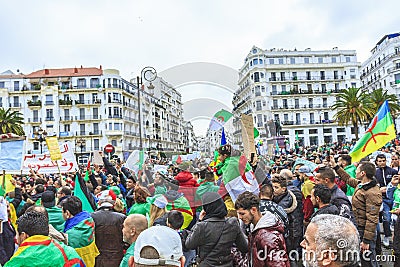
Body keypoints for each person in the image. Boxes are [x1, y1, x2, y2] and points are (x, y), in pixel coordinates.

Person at [333, 160, 382, 267]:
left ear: (363, 173)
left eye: (357, 170)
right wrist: (336, 167)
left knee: (369, 259)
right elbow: (348, 179)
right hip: (359, 227)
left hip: (365, 230)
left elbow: (372, 218)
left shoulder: (372, 192)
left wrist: (366, 240)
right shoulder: (362, 185)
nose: (355, 172)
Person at [185, 192, 248, 266]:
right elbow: (244, 247)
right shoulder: (233, 223)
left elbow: (189, 244)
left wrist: (199, 220)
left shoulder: (202, 226)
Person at [4, 211, 85, 267]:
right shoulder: (69, 253)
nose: (15, 238)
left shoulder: (17, 260)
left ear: (23, 236)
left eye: (17, 234)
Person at [235, 191, 289, 267]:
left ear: (253, 210)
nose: (240, 217)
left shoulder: (267, 237)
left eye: (242, 214)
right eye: (238, 214)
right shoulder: (256, 230)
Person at [271, 174, 303, 265]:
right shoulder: (277, 198)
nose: (273, 189)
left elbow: (294, 221)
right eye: (272, 187)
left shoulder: (285, 202)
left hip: (290, 235)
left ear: (283, 188)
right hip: (287, 234)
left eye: (276, 187)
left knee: (290, 257)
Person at [91, 189, 127, 267]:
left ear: (99, 203)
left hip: (97, 259)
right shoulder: (122, 217)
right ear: (113, 203)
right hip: (117, 259)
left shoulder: (92, 217)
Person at [61, 196, 99, 267]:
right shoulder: (89, 221)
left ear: (67, 213)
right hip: (90, 260)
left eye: (62, 211)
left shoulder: (69, 235)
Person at [375, 153, 398, 247]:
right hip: (383, 199)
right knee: (386, 218)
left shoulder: (392, 171)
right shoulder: (375, 173)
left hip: (393, 198)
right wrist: (379, 189)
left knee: (395, 219)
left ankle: (395, 237)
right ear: (376, 162)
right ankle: (386, 236)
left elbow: (397, 183)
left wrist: (390, 187)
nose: (382, 163)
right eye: (380, 161)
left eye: (383, 160)